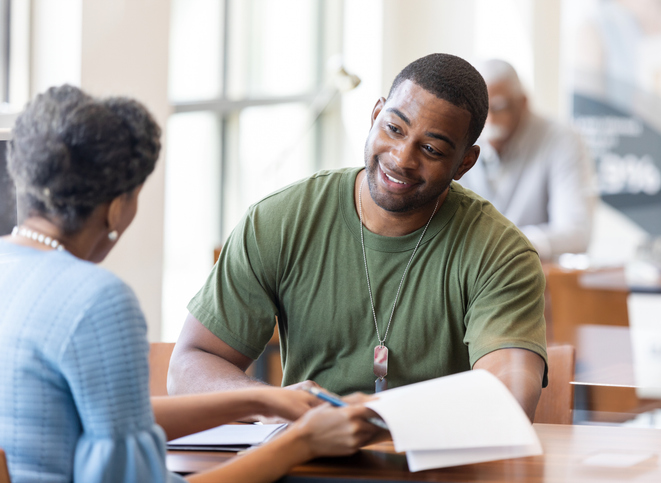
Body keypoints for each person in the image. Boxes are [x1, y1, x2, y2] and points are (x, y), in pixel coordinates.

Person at [0, 85, 380, 483]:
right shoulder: (95, 299)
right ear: (116, 209)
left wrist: (264, 398)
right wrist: (301, 442)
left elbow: (117, 419)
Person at [168, 53, 548, 421]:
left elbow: (507, 401)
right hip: (303, 458)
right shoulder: (280, 220)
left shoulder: (500, 253)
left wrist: (376, 419)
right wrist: (269, 402)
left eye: (430, 149)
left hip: (433, 467)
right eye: (394, 128)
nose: (401, 158)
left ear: (465, 162)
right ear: (375, 114)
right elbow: (191, 363)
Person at [457, 59, 597, 261]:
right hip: (466, 278)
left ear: (522, 103)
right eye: (479, 109)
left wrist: (500, 246)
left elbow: (576, 233)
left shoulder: (561, 139)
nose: (488, 119)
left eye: (498, 107)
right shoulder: (462, 136)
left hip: (534, 281)